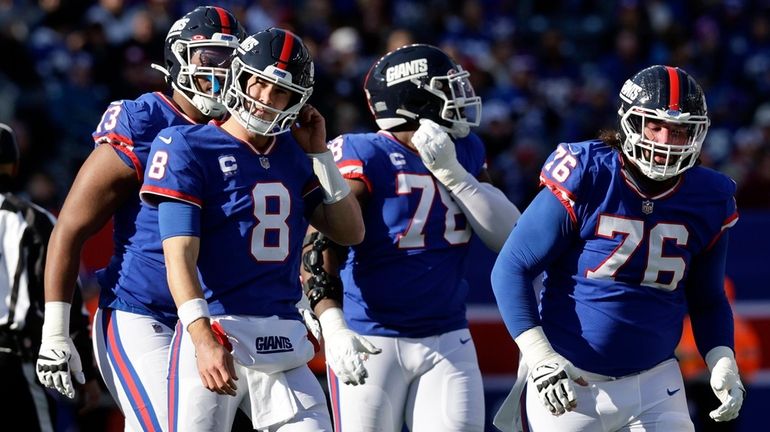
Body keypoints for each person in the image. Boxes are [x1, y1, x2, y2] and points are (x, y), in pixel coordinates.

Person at [490, 65, 746, 432]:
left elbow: (707, 299)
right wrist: (539, 355)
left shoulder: (709, 196)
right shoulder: (589, 172)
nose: (665, 141)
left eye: (678, 131)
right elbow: (511, 267)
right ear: (629, 122)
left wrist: (721, 358)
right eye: (654, 126)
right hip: (569, 380)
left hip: (657, 380)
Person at [139, 28, 364, 431]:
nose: (264, 98)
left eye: (280, 92)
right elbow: (179, 257)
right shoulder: (187, 144)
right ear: (239, 77)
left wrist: (320, 155)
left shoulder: (295, 154)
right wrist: (201, 336)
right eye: (258, 82)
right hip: (217, 328)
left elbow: (350, 231)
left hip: (282, 337)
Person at [35, 6, 246, 431]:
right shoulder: (145, 120)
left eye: (231, 61)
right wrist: (55, 331)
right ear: (178, 59)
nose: (222, 72)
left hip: (217, 318)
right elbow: (71, 227)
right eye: (210, 58)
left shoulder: (242, 127)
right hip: (143, 313)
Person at [300, 43, 521, 432]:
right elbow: (320, 246)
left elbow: (508, 237)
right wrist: (333, 325)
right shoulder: (363, 153)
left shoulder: (464, 149)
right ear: (412, 96)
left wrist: (453, 173)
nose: (460, 97)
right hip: (371, 338)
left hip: (448, 336)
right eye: (447, 87)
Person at [0, 123, 101, 430]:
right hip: (13, 362)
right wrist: (86, 372)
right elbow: (65, 297)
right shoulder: (33, 220)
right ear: (15, 165)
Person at [677, 276, 761, 432]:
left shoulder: (689, 325)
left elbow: (681, 357)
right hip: (702, 387)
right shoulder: (742, 327)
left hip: (721, 386)